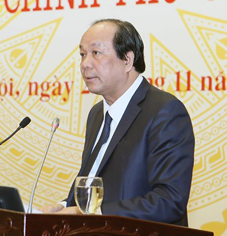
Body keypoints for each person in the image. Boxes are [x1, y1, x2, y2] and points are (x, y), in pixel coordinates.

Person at [40, 19, 194, 226]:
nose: (85, 64)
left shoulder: (164, 111)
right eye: (83, 54)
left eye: (96, 53)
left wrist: (91, 214)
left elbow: (169, 200)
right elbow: (96, 185)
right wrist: (63, 206)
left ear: (127, 60)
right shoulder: (97, 114)